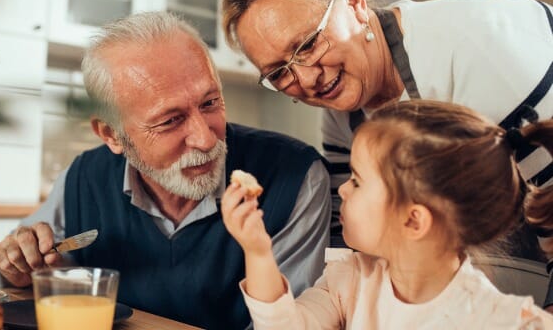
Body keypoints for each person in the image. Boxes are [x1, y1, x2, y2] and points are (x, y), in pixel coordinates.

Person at [221, 0, 553, 306]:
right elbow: (352, 232)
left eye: (309, 43)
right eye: (280, 72)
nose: (307, 79)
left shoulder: (483, 58)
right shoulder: (344, 114)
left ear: (353, 1)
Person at [0, 12, 331, 329]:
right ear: (112, 135)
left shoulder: (295, 177)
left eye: (210, 102)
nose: (205, 138)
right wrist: (17, 265)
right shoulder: (83, 178)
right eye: (170, 120)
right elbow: (22, 280)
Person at [223, 99, 553, 329]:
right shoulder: (350, 279)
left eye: (356, 180)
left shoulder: (501, 321)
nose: (343, 190)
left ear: (413, 220)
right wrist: (257, 252)